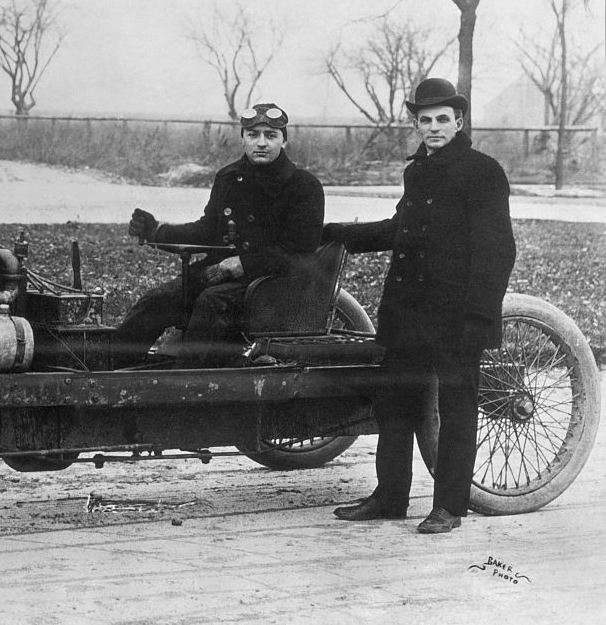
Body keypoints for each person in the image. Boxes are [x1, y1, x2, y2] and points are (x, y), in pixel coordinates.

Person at [325, 78, 516, 534]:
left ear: (459, 122)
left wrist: (479, 316)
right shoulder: (417, 171)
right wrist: (338, 233)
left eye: (442, 120)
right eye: (425, 120)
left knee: (456, 408)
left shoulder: (483, 171)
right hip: (407, 311)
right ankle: (390, 497)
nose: (433, 128)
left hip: (455, 316)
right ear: (415, 123)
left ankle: (449, 507)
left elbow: (496, 250)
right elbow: (400, 229)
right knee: (395, 405)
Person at [113, 103, 324, 368]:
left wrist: (241, 263)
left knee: (210, 302)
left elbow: (300, 250)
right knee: (159, 299)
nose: (261, 143)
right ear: (242, 138)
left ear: (284, 140)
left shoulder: (304, 186)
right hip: (217, 273)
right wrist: (157, 231)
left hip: (271, 283)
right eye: (253, 135)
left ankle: (184, 383)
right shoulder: (228, 177)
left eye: (270, 136)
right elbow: (208, 229)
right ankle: (110, 372)